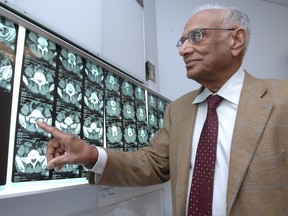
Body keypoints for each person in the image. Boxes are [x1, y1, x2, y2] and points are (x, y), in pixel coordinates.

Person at [37, 4, 288, 216]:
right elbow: (153, 165)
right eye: (182, 41)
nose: (183, 50)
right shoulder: (177, 111)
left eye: (197, 36)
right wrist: (92, 155)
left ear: (236, 40)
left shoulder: (281, 99)